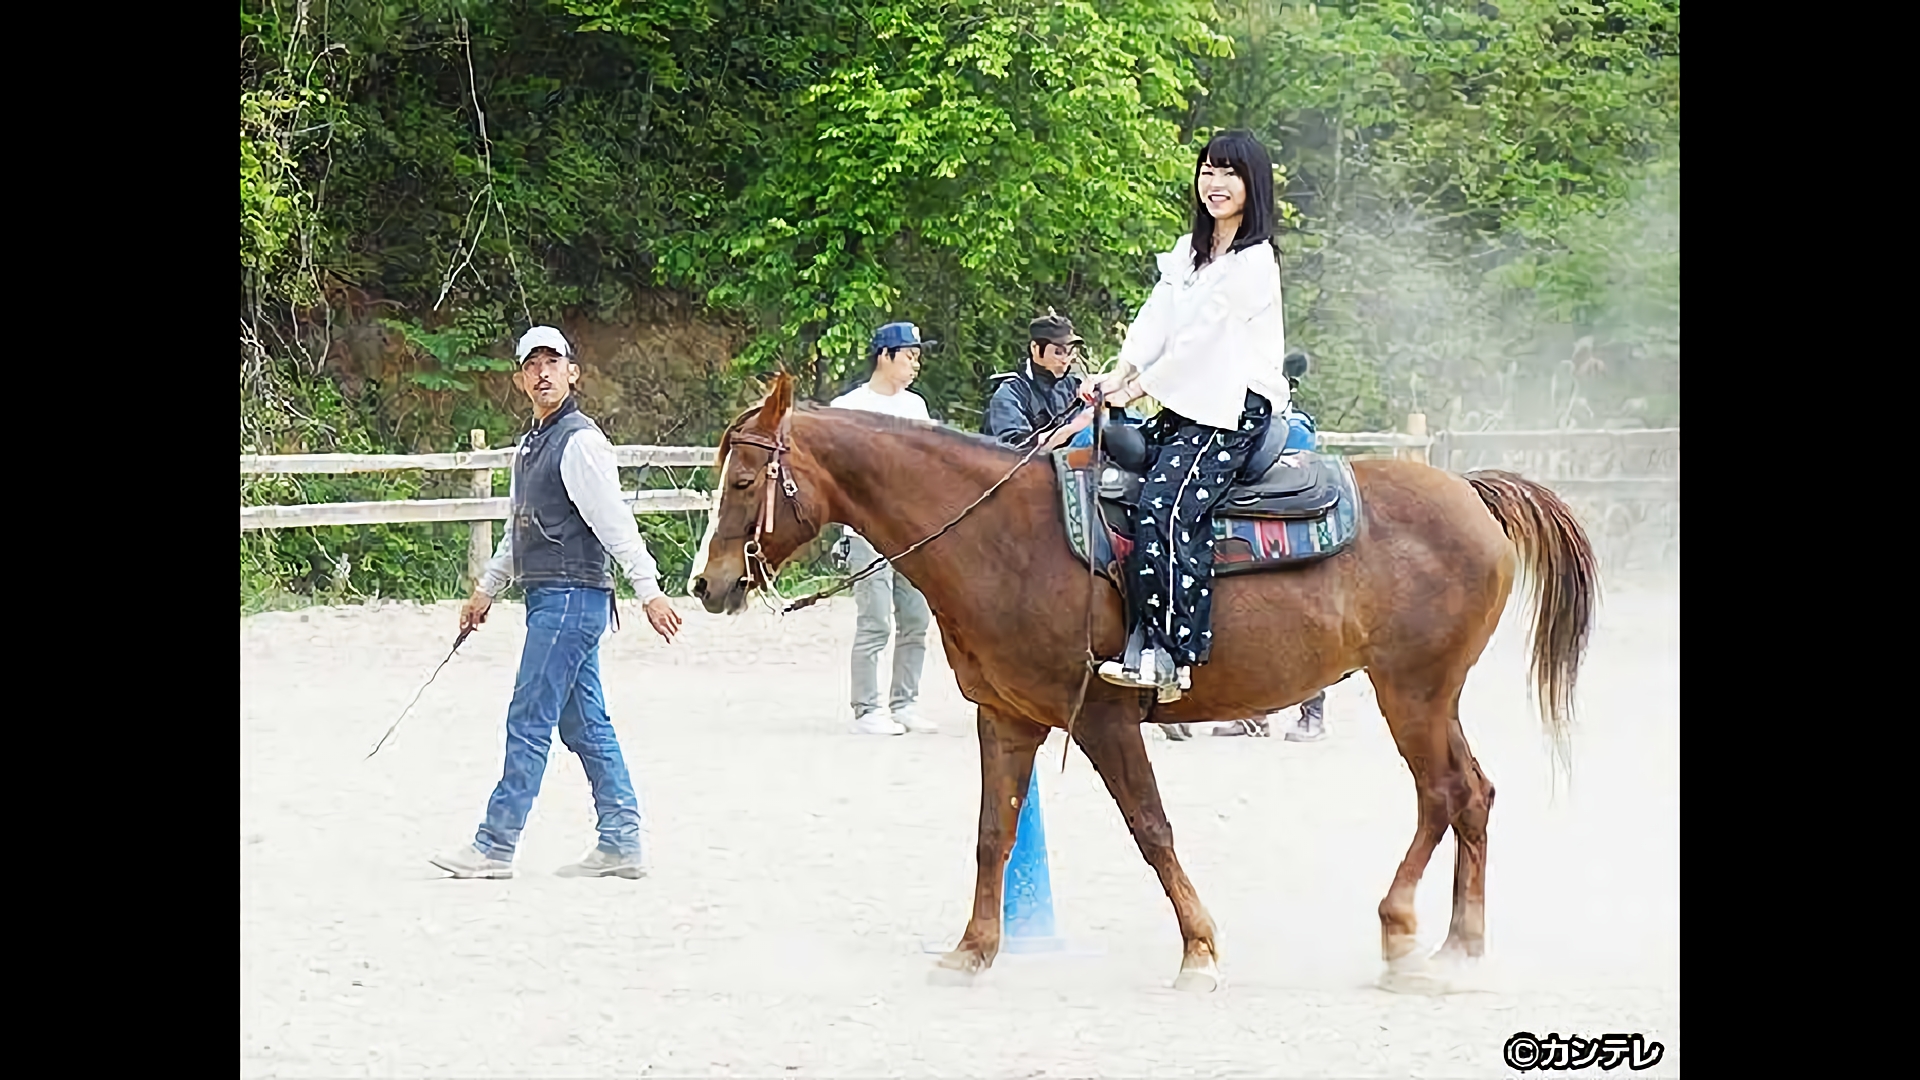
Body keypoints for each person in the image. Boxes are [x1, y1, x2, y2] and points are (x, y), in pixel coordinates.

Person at [430, 326, 683, 881]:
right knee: (584, 723)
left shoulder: (580, 443)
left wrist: (650, 589)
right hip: (552, 597)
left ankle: (495, 844)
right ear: (521, 379)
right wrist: (486, 590)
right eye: (532, 364)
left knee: (529, 716)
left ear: (573, 372)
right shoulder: (532, 445)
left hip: (572, 597)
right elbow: (517, 530)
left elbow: (614, 521)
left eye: (553, 361)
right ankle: (621, 840)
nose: (542, 371)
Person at [1079, 130, 1292, 701]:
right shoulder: (1189, 254)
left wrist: (1140, 389)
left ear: (1252, 185)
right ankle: (1132, 633)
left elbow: (1204, 341)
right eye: (1207, 171)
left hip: (1233, 407)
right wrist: (1115, 376)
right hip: (1188, 401)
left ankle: (1174, 650)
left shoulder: (1254, 262)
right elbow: (1156, 323)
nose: (1214, 184)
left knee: (1167, 505)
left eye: (1229, 173)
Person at [828, 321, 939, 736]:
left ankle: (904, 702)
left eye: (917, 356)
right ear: (885, 356)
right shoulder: (848, 407)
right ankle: (867, 707)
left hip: (911, 531)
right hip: (868, 531)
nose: (915, 364)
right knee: (875, 620)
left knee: (915, 618)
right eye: (909, 355)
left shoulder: (917, 407)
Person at [984, 311, 1094, 449]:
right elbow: (1018, 450)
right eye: (1058, 352)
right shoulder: (1010, 393)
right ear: (1035, 348)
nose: (1066, 360)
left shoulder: (1073, 386)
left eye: (1071, 352)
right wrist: (1072, 428)